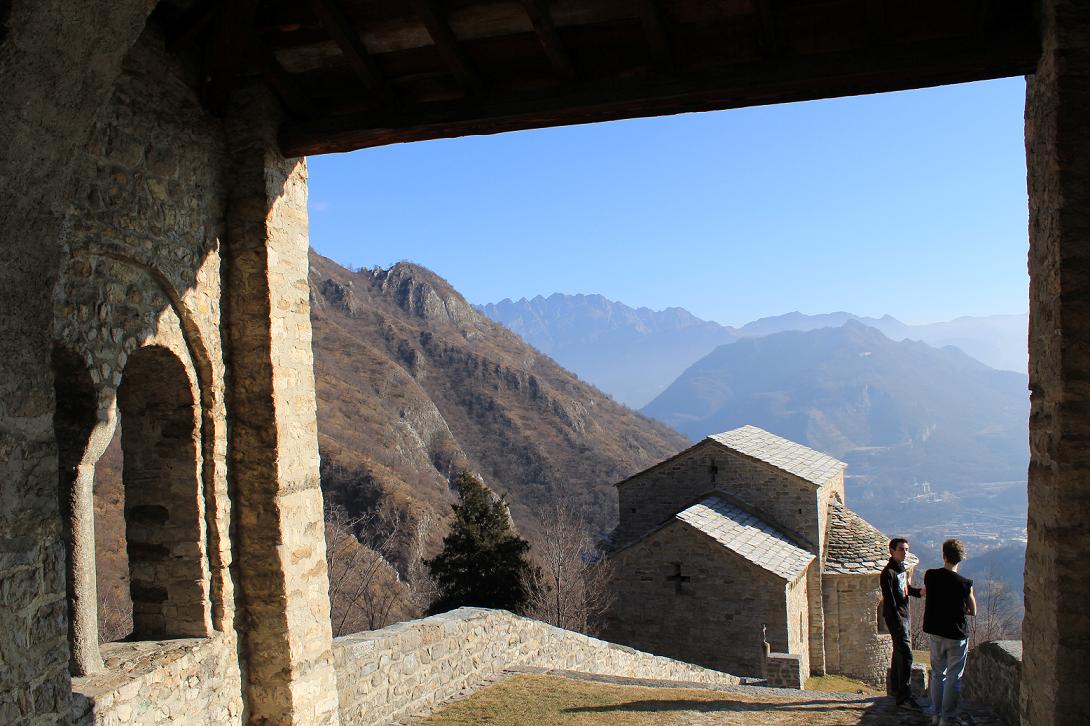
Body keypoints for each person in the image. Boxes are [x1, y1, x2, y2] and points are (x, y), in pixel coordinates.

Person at [923, 538, 976, 726]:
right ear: (961, 559)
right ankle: (947, 718)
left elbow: (930, 593)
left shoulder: (930, 576)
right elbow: (973, 611)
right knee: (954, 676)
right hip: (956, 634)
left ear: (943, 555)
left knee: (938, 674)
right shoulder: (965, 583)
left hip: (936, 631)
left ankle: (935, 714)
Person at [881, 537, 924, 708]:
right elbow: (890, 602)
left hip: (904, 617)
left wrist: (919, 592)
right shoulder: (888, 573)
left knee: (898, 653)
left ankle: (896, 690)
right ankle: (904, 696)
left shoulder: (901, 569)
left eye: (906, 549)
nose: (905, 552)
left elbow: (904, 591)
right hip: (897, 619)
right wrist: (898, 623)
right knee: (906, 655)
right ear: (891, 550)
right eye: (901, 549)